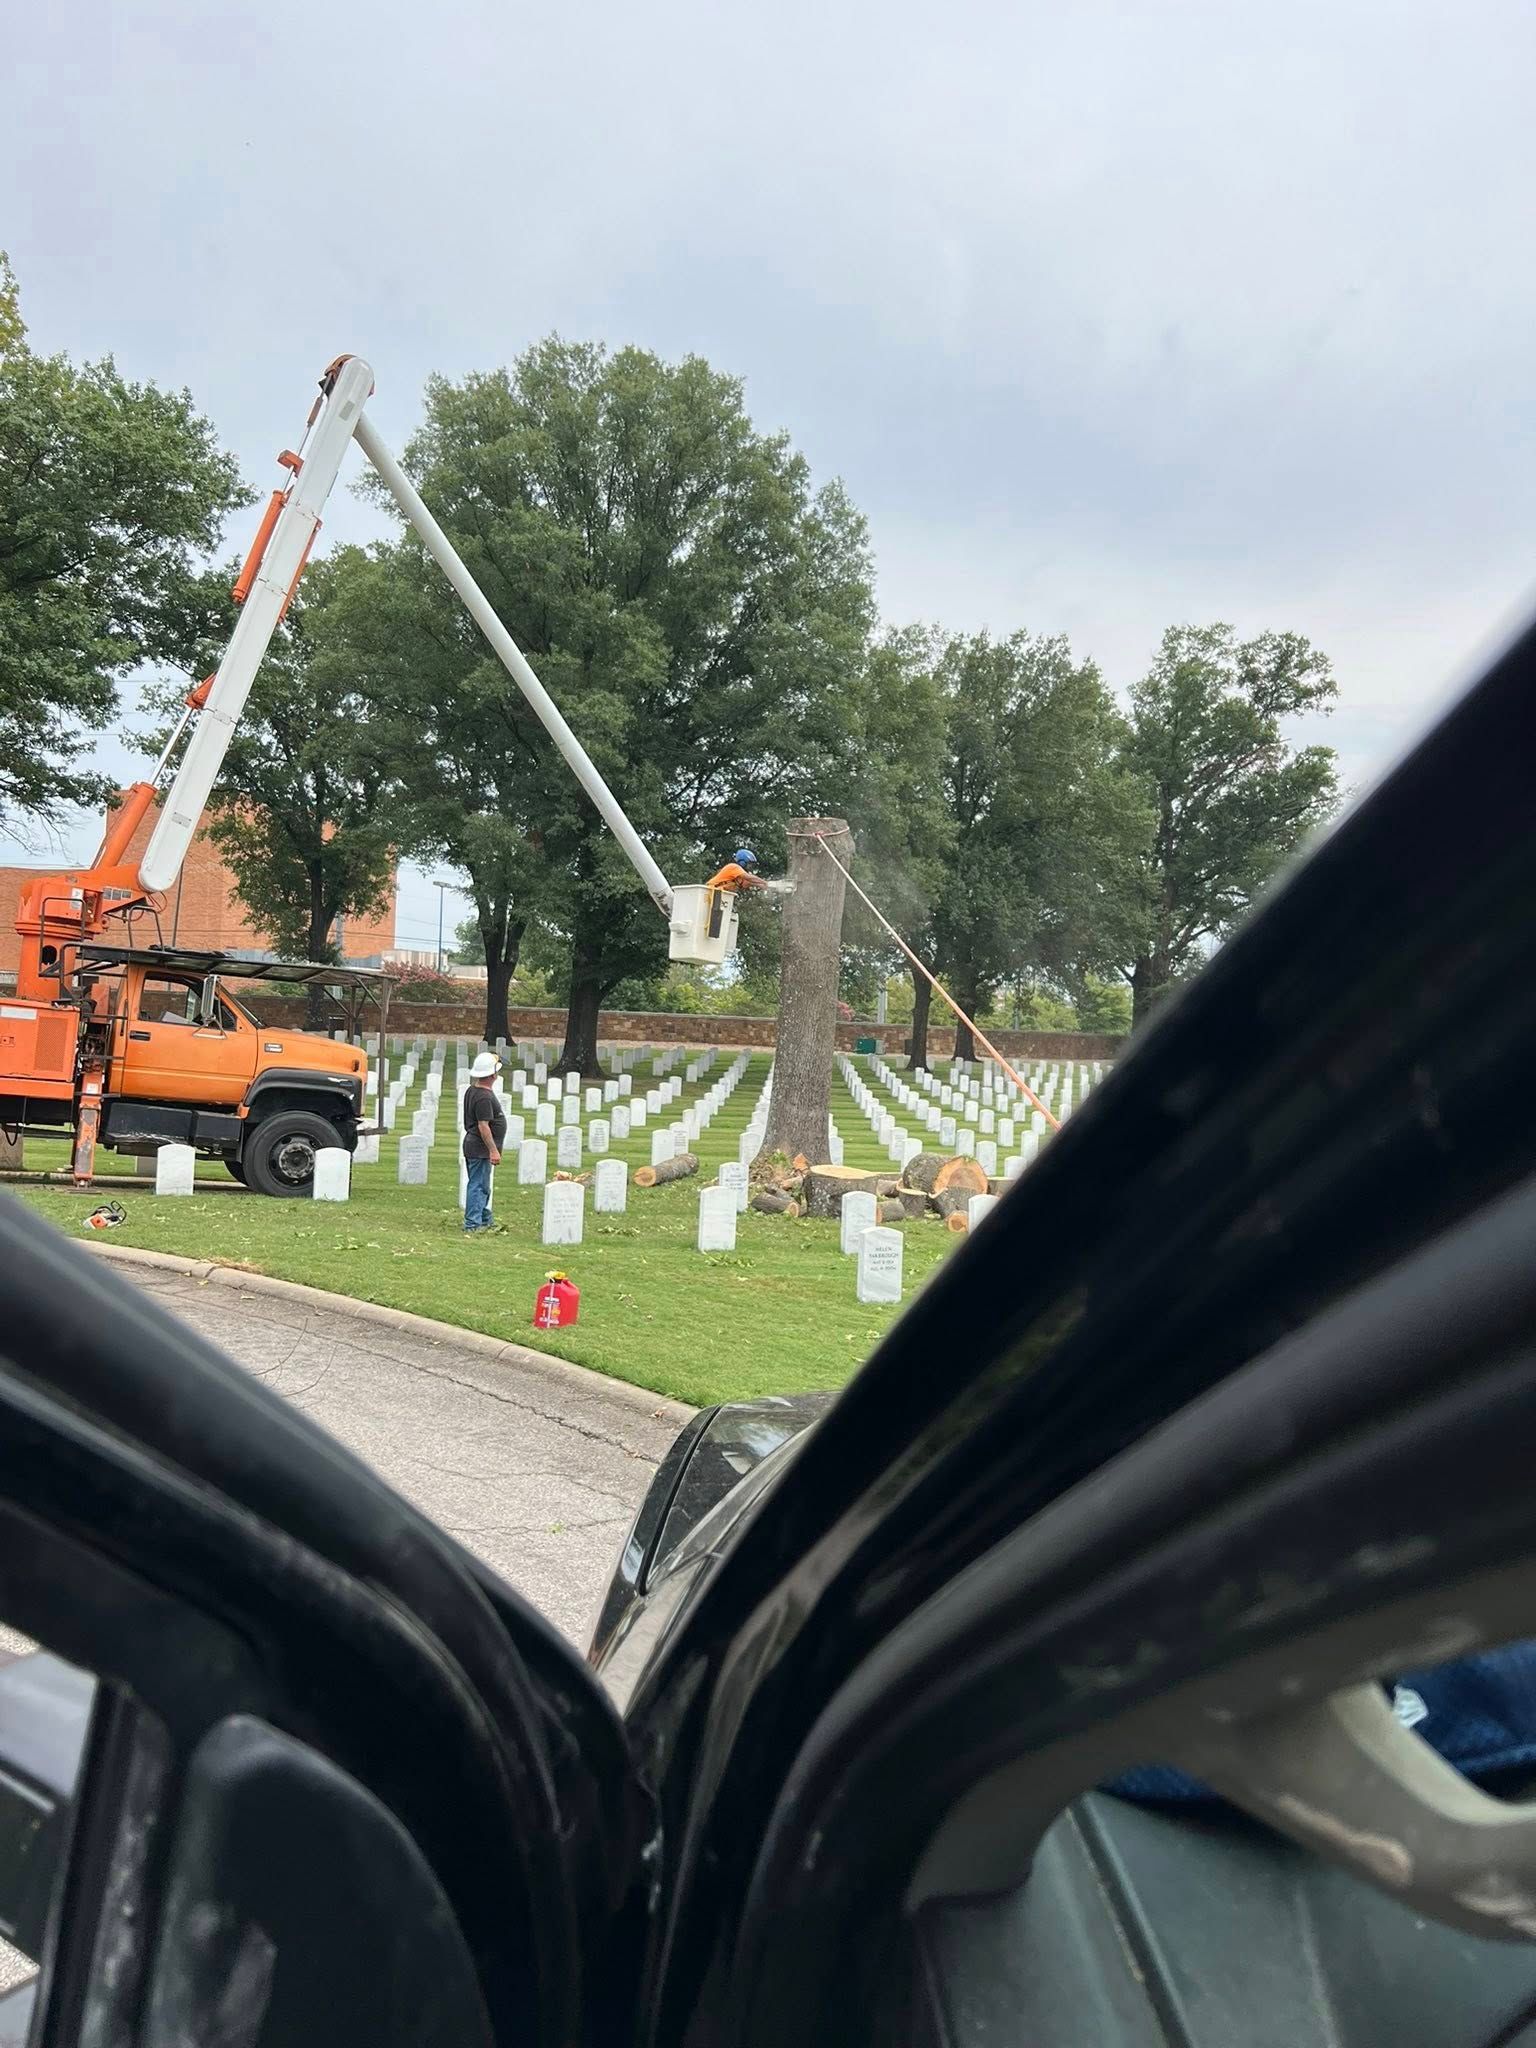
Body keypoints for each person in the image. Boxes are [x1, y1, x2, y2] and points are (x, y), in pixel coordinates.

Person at [462, 1050, 507, 1235]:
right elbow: (483, 1126)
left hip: (476, 1147)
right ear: (493, 1074)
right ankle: (472, 1224)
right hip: (480, 1148)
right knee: (478, 1185)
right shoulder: (483, 1097)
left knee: (483, 1185)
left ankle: (484, 1218)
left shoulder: (474, 1090)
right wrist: (493, 1150)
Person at [704, 847, 769, 896]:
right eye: (749, 864)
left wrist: (761, 885)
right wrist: (763, 882)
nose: (750, 867)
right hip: (709, 891)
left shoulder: (738, 876)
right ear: (742, 862)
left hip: (718, 894)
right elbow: (749, 878)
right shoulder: (734, 867)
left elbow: (748, 882)